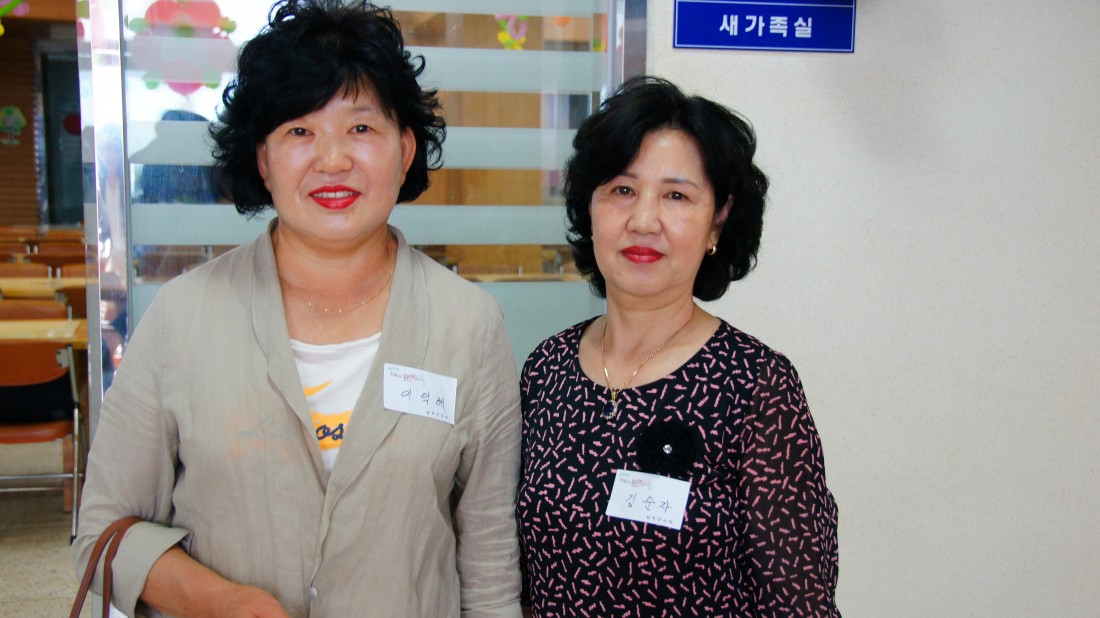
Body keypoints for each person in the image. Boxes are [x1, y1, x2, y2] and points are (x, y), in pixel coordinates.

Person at [73, 1, 522, 616]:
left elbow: (489, 558)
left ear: (405, 150)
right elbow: (102, 535)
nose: (333, 160)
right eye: (299, 132)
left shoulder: (468, 324)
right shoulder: (184, 317)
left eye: (361, 128)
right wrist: (223, 603)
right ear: (263, 159)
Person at [517, 76, 840, 617]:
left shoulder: (755, 387)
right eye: (622, 190)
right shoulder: (547, 370)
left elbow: (797, 603)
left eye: (676, 196)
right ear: (589, 208)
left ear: (718, 221)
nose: (643, 220)